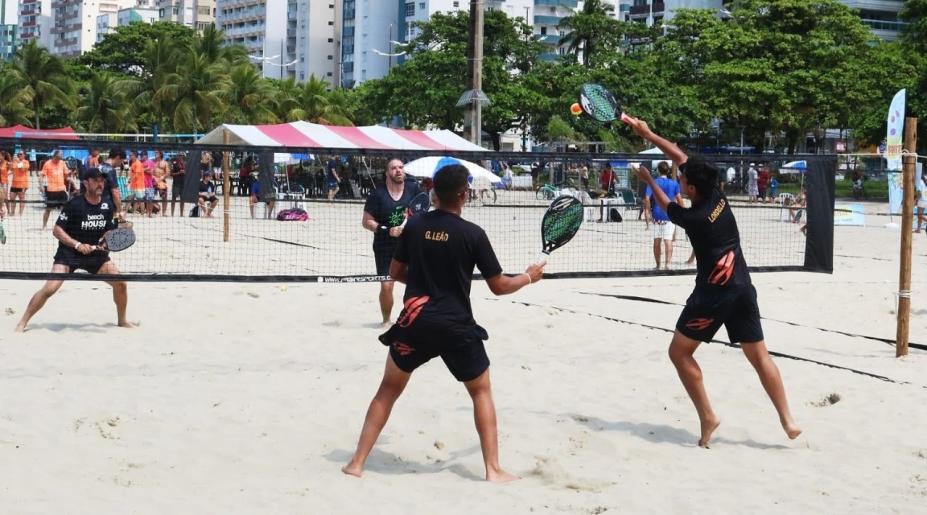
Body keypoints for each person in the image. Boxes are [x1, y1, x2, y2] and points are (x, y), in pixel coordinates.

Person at [342, 163, 545, 481]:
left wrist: (423, 279)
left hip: (416, 321)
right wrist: (528, 277)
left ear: (433, 192)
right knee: (481, 392)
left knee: (388, 389)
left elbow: (395, 273)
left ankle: (356, 463)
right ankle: (493, 470)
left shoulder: (415, 226)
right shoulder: (473, 234)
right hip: (455, 325)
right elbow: (499, 286)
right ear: (464, 195)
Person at [626, 115, 801, 447]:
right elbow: (679, 156)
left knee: (679, 353)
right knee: (760, 357)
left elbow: (666, 206)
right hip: (743, 289)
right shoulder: (718, 197)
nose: (679, 179)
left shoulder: (695, 218)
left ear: (691, 188)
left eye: (682, 180)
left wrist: (649, 179)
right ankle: (788, 420)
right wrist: (648, 134)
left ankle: (708, 415)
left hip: (713, 295)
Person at [15, 167, 134, 332]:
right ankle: (22, 322)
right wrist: (77, 245)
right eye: (96, 180)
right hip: (69, 254)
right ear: (86, 182)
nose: (101, 183)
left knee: (121, 284)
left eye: (102, 180)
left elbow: (108, 230)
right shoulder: (74, 204)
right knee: (49, 289)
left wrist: (108, 239)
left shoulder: (107, 205)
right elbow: (57, 230)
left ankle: (122, 320)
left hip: (95, 255)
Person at [361, 159, 421, 326]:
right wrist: (386, 230)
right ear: (387, 173)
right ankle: (386, 321)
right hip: (384, 245)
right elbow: (366, 222)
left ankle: (412, 319)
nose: (398, 170)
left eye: (401, 167)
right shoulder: (377, 194)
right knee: (387, 286)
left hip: (409, 244)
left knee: (415, 283)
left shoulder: (413, 188)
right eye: (394, 168)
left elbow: (420, 211)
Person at [642, 161, 684, 269]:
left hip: (657, 215)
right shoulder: (674, 183)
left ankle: (658, 265)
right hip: (670, 215)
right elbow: (680, 200)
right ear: (668, 170)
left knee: (657, 241)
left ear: (658, 170)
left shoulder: (654, 183)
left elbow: (647, 198)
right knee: (668, 240)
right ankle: (668, 264)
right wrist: (684, 212)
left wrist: (648, 211)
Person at [40, 150, 71, 230]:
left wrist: (69, 178)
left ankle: (64, 226)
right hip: (51, 190)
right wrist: (41, 186)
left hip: (61, 189)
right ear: (54, 156)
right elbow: (42, 175)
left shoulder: (62, 163)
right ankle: (44, 225)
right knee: (48, 209)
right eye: (58, 158)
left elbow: (66, 175)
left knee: (65, 209)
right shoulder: (47, 163)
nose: (59, 159)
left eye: (60, 158)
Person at [9, 151, 30, 216]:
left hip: (22, 184)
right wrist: (11, 162)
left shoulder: (26, 162)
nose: (19, 155)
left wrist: (18, 161)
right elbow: (11, 169)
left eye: (20, 154)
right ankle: (12, 212)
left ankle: (20, 213)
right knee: (12, 198)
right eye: (18, 154)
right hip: (14, 184)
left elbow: (22, 169)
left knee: (22, 199)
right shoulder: (15, 161)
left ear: (24, 155)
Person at [153, 151, 171, 216]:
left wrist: (162, 177)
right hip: (154, 180)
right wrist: (154, 177)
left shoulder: (165, 163)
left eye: (157, 153)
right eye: (155, 153)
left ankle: (164, 212)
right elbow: (151, 171)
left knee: (164, 197)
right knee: (150, 196)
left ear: (160, 154)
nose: (155, 154)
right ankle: (151, 211)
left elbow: (168, 172)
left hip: (162, 180)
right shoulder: (153, 162)